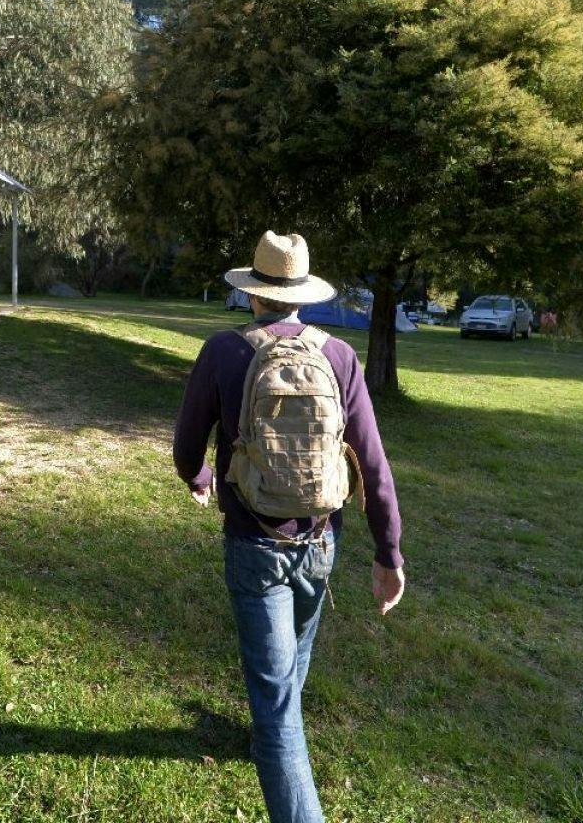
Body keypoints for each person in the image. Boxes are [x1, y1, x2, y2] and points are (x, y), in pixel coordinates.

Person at [174, 231, 404, 823]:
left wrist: (202, 476)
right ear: (301, 295)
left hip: (253, 542)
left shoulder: (224, 351)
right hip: (322, 539)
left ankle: (278, 754)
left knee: (276, 706)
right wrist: (389, 554)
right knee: (289, 668)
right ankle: (271, 744)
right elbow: (372, 463)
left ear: (253, 293)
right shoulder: (339, 357)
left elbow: (185, 447)